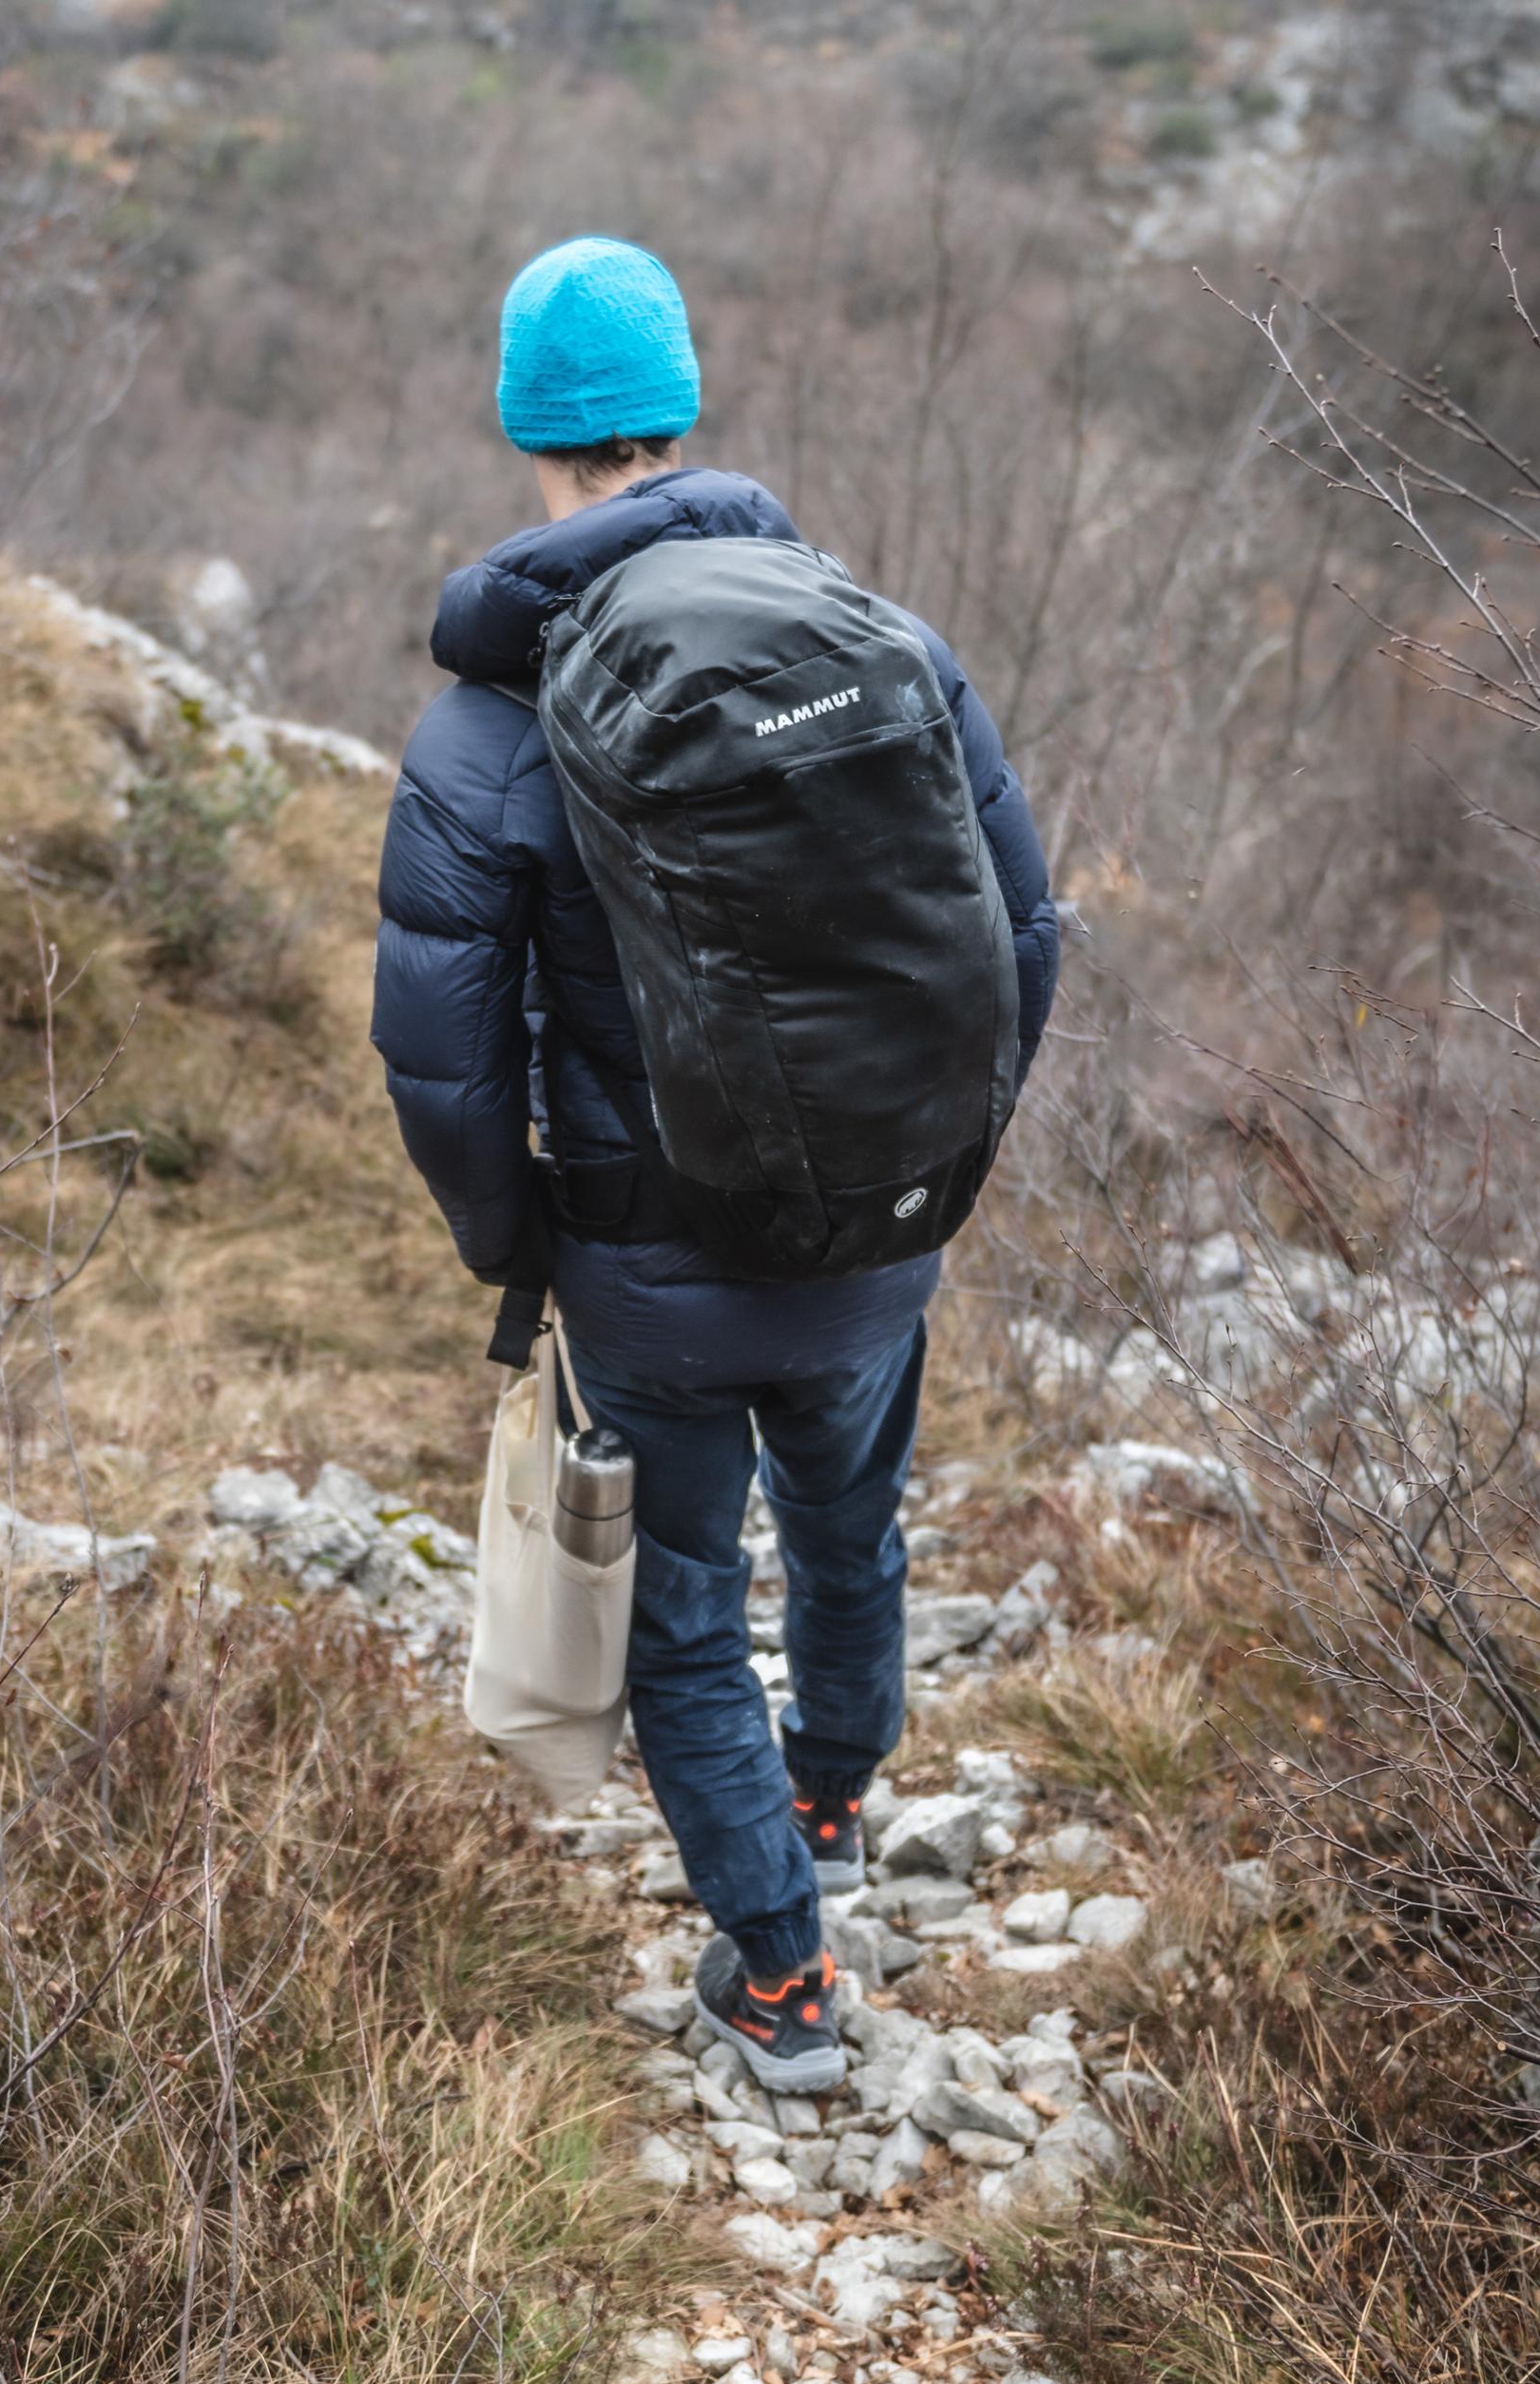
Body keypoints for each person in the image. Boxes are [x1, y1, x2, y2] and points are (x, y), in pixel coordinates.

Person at [372, 237, 1061, 2090]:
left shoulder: (481, 727)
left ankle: (776, 1972)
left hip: (642, 1268)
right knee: (848, 1528)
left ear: (530, 433)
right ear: (678, 411)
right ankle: (834, 1795)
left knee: (678, 1612)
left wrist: (524, 1247)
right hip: (870, 1244)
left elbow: (439, 1065)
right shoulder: (876, 637)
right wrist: (933, 1166)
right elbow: (1025, 932)